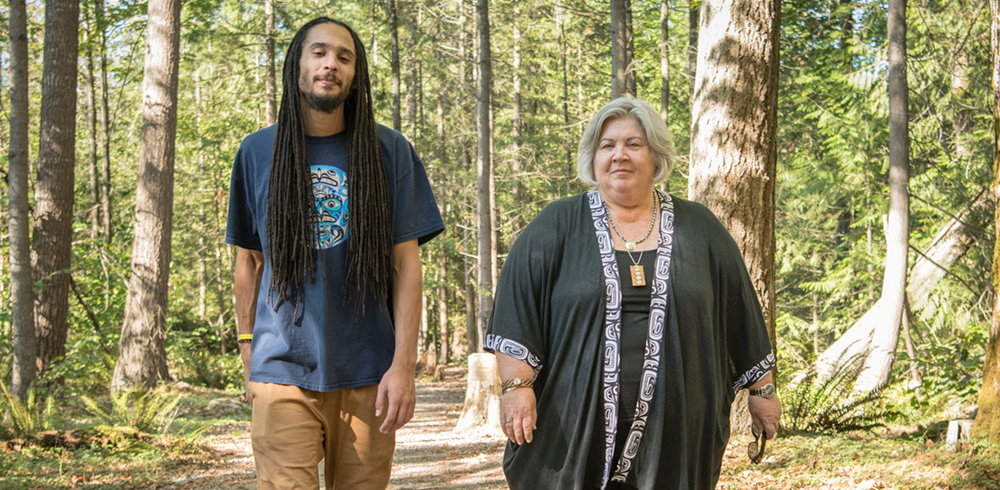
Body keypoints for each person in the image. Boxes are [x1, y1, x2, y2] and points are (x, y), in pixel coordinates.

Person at [486, 96, 782, 490]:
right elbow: (516, 310)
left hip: (679, 433)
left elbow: (741, 311)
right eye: (607, 145)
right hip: (571, 432)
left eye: (633, 145)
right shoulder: (555, 225)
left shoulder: (700, 227)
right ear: (593, 157)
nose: (619, 155)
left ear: (655, 156)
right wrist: (516, 388)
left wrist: (762, 390)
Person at [226, 17, 444, 490]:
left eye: (344, 57)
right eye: (319, 53)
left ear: (356, 74)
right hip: (281, 370)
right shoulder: (257, 152)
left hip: (368, 373)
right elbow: (248, 261)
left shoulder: (388, 151)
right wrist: (249, 357)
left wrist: (403, 367)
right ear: (297, 64)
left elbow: (407, 265)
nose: (331, 65)